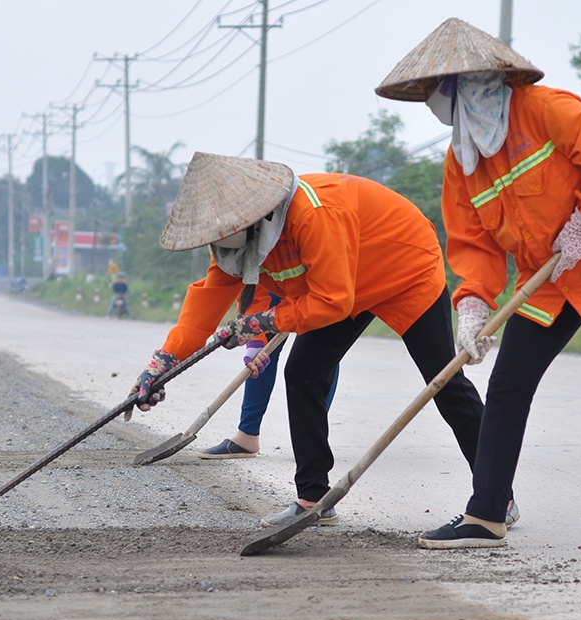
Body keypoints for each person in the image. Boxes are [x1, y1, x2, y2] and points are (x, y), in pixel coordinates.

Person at [375, 18, 581, 556]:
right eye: (436, 96)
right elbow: (474, 245)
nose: (441, 105)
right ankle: (486, 515)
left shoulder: (546, 109)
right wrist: (475, 308)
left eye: (447, 91)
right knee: (507, 388)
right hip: (546, 279)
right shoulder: (462, 164)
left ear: (478, 83)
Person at [127, 151, 503, 529]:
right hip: (341, 283)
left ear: (248, 218)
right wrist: (159, 368)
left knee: (444, 383)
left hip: (403, 267)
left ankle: (496, 498)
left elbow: (331, 302)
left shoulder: (311, 215)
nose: (215, 246)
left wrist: (262, 321)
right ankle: (313, 498)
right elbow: (200, 315)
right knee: (304, 372)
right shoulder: (230, 242)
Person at [197, 293, 340, 459]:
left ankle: (312, 438)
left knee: (321, 351)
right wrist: (255, 341)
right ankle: (247, 434)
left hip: (327, 287)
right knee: (263, 351)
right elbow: (253, 292)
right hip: (280, 282)